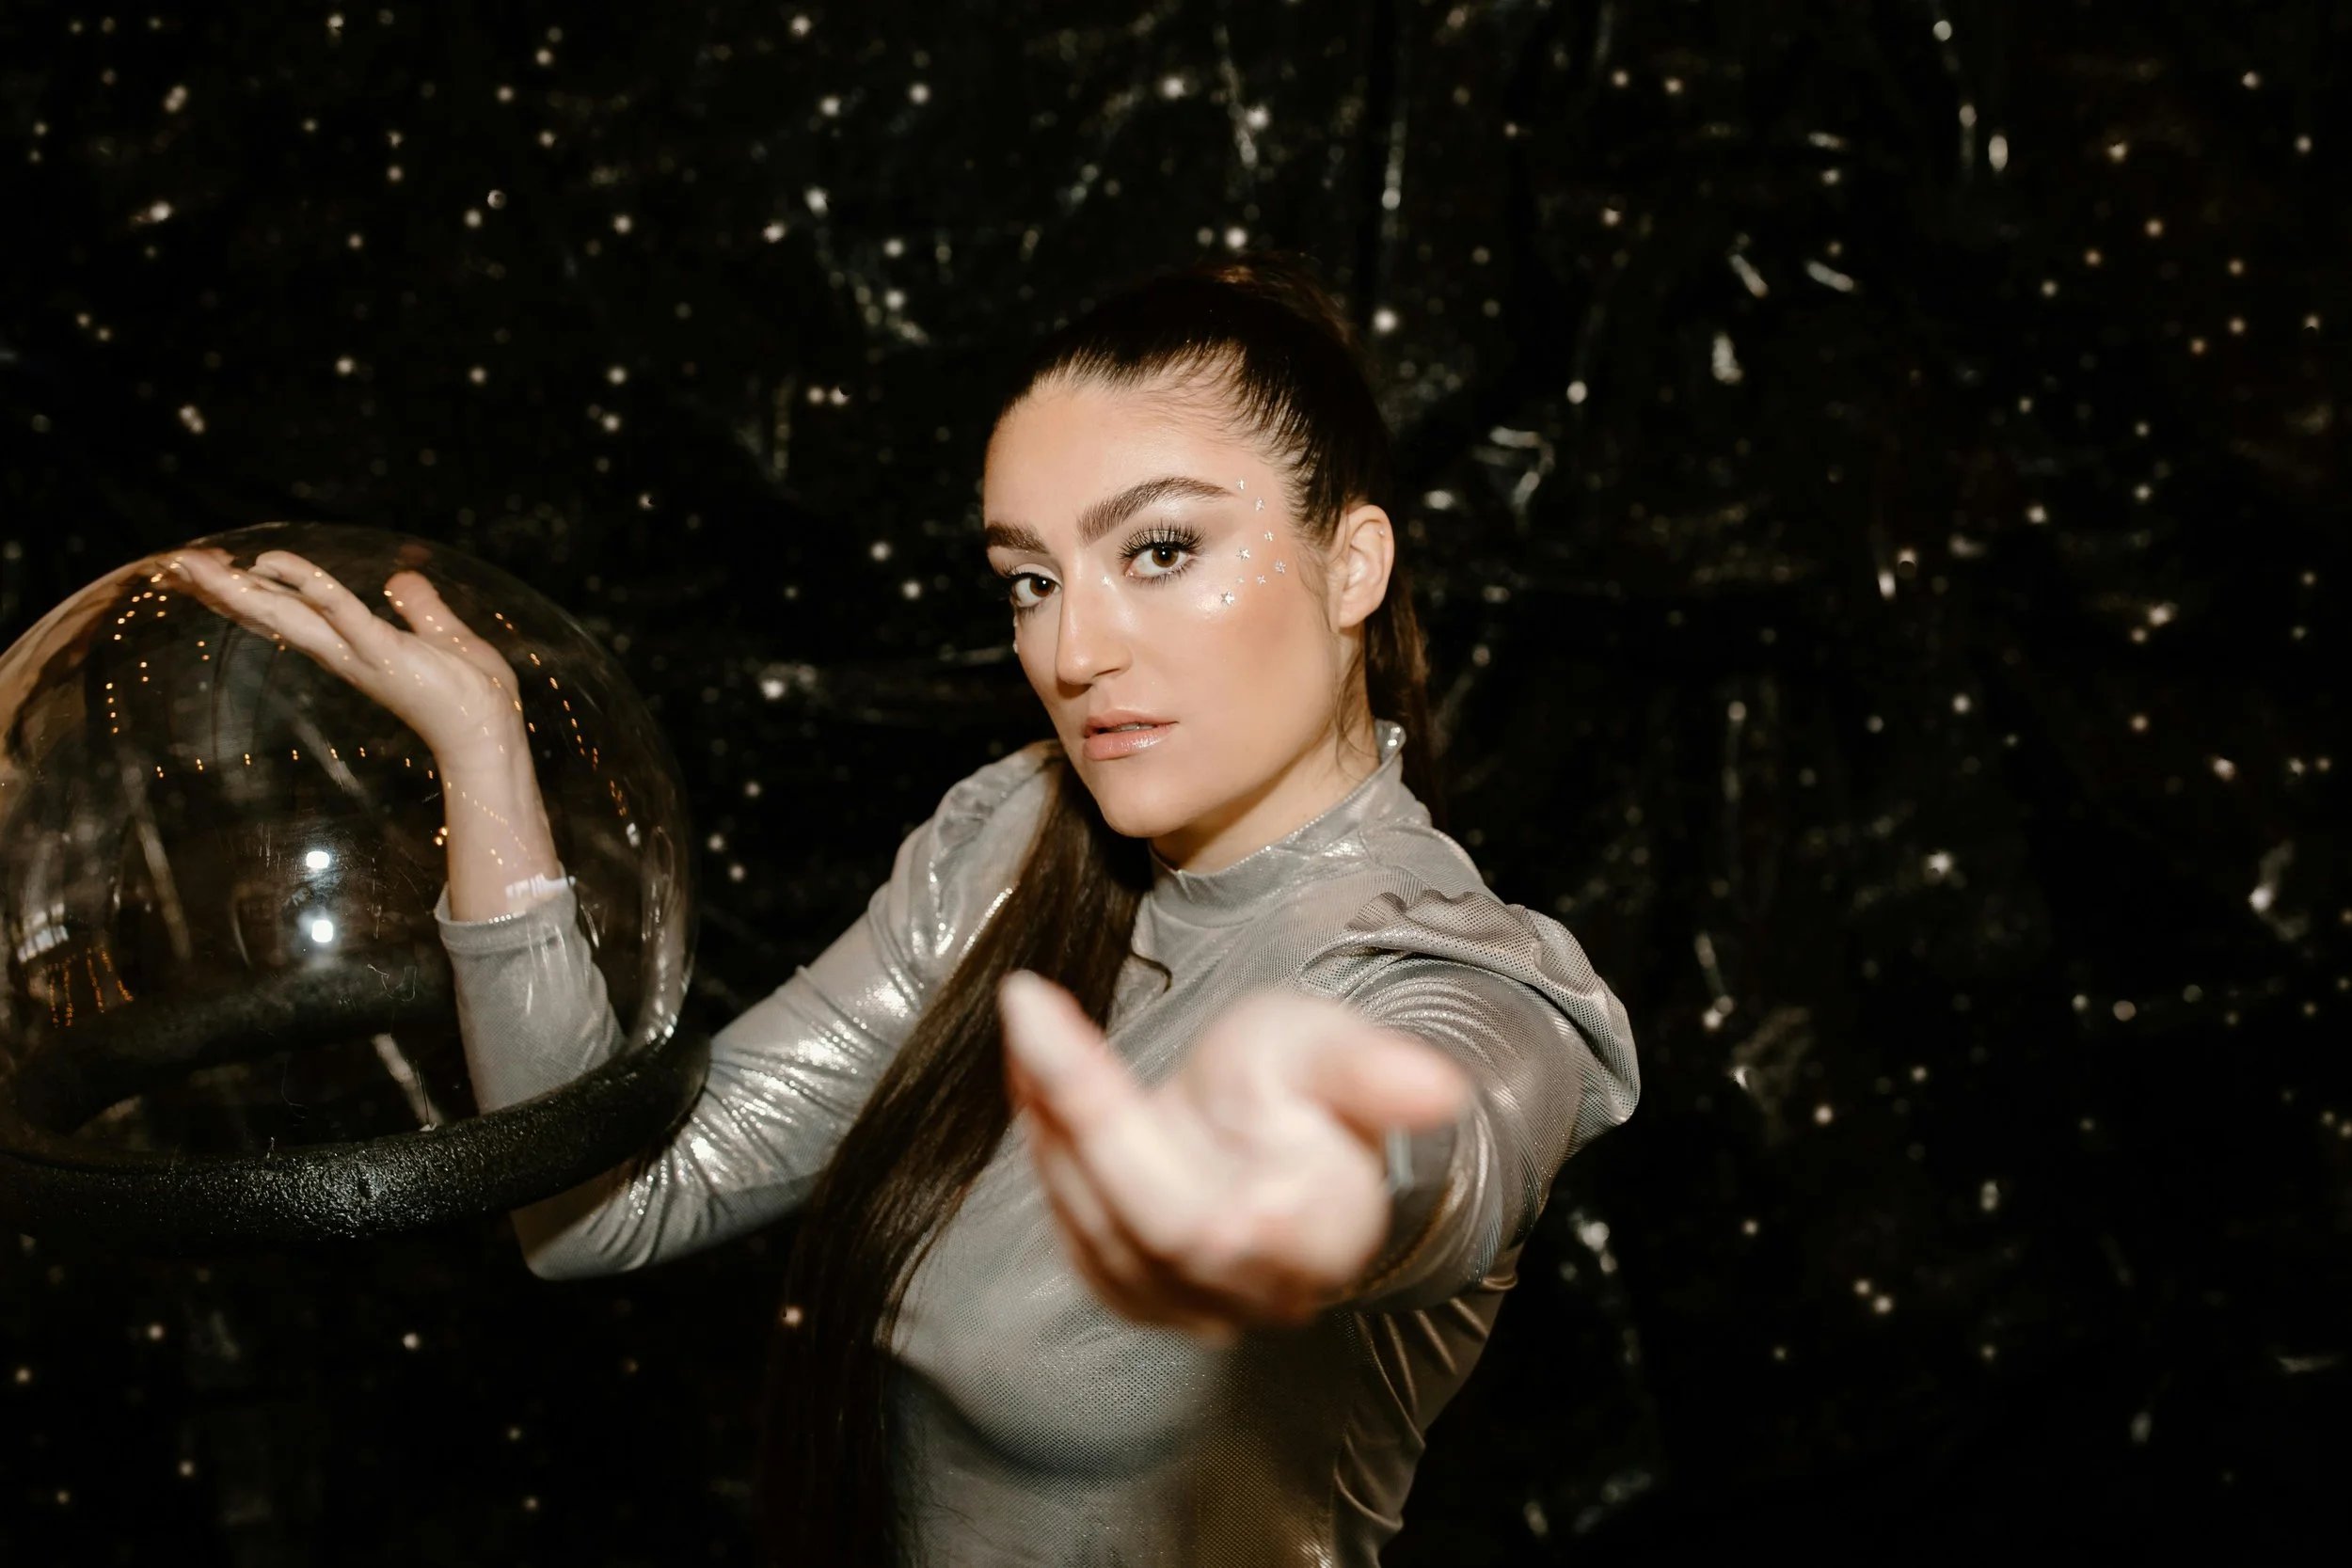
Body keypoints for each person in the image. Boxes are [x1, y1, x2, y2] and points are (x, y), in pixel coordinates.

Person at [169, 254, 1640, 1567]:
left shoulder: (1451, 967)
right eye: (1029, 579)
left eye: (1160, 549)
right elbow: (603, 1203)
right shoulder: (1011, 846)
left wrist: (1313, 1173)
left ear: (1354, 564)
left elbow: (1454, 1127)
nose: (1073, 648)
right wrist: (485, 755)